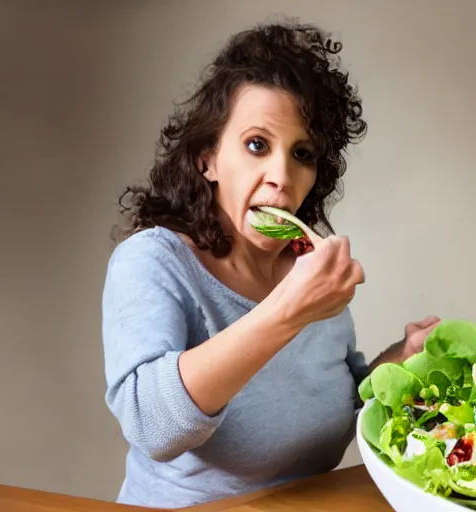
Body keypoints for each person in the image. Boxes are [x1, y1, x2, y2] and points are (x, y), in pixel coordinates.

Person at [101, 20, 440, 509]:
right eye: (257, 144)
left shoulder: (308, 266)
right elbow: (152, 423)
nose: (281, 177)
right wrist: (290, 312)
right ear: (207, 160)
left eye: (301, 154)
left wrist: (400, 360)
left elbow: (333, 402)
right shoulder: (153, 261)